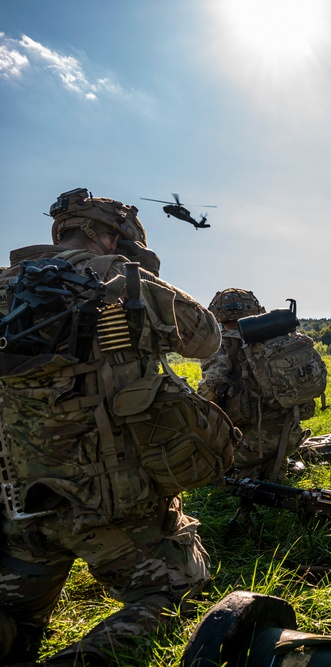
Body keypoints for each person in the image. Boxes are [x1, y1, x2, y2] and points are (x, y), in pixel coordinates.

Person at [0, 188, 220, 666]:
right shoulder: (121, 277)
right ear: (114, 235)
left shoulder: (3, 285)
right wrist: (143, 274)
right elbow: (207, 339)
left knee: (12, 615)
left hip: (22, 502)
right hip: (116, 504)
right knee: (178, 593)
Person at [198, 288, 314, 482]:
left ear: (216, 314)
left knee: (197, 455)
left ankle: (252, 468)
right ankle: (270, 464)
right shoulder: (280, 339)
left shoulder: (222, 345)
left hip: (251, 446)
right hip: (291, 435)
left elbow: (208, 393)